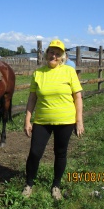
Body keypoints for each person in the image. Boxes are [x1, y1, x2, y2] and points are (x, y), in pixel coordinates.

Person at [22, 39, 84, 200]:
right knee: (35, 152)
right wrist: (27, 120)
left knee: (60, 153)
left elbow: (77, 97)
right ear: (46, 53)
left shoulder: (69, 72)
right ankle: (29, 184)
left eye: (58, 53)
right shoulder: (38, 73)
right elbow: (32, 99)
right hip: (42, 120)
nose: (54, 56)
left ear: (62, 56)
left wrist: (79, 121)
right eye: (51, 52)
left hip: (66, 121)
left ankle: (56, 185)